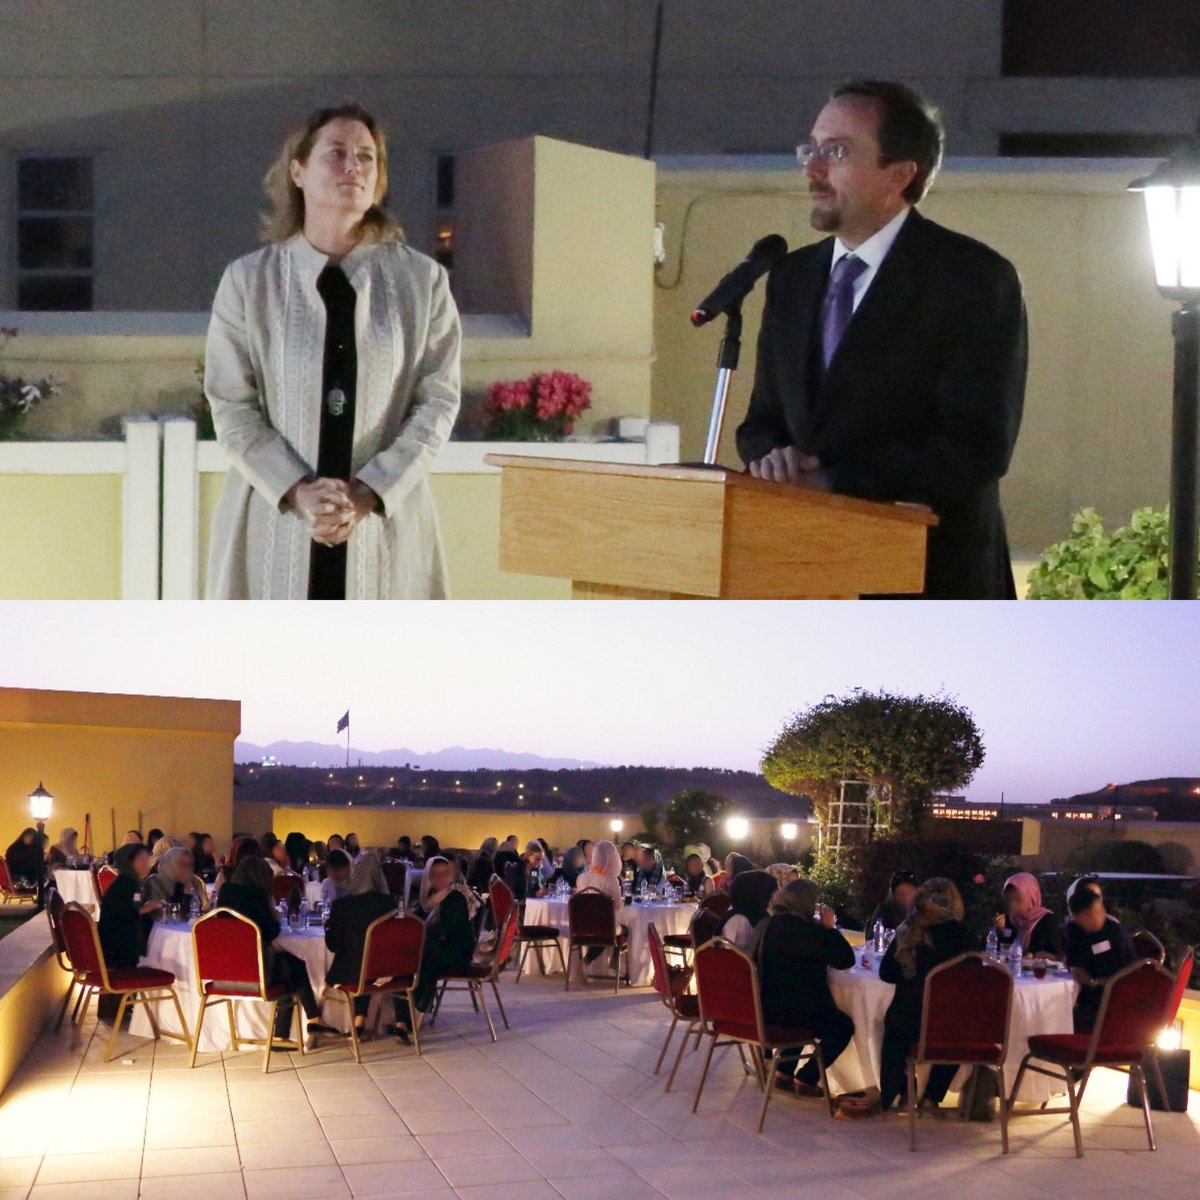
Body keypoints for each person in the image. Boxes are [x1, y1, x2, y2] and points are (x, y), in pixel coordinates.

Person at [736, 80, 1026, 599]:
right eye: (811, 148)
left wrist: (833, 481)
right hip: (806, 574)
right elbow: (762, 421)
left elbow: (977, 447)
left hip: (929, 583)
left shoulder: (972, 278)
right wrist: (770, 457)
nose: (813, 168)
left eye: (837, 151)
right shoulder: (791, 277)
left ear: (899, 174)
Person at [204, 102, 461, 601]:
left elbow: (438, 401)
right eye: (336, 153)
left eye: (367, 156)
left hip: (385, 526)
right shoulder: (249, 281)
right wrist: (299, 493)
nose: (353, 167)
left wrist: (366, 494)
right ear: (298, 171)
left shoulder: (423, 282)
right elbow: (231, 404)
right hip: (274, 521)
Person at [878, 878, 975, 1112]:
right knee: (963, 1027)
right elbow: (972, 977)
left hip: (909, 1023)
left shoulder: (908, 930)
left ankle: (903, 1090)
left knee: (891, 1026)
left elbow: (887, 973)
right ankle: (932, 1096)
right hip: (949, 1024)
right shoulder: (965, 935)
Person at [217, 855, 336, 1045]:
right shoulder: (257, 895)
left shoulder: (225, 891)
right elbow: (270, 932)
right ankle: (312, 1020)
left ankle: (284, 1035)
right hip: (255, 972)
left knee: (288, 968)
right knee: (295, 965)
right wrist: (274, 913)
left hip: (223, 971)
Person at [752, 878, 855, 1096]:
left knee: (798, 1000)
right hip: (790, 1015)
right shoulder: (806, 931)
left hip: (760, 1009)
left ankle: (783, 1071)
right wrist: (830, 928)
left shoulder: (764, 925)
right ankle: (808, 1078)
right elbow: (845, 960)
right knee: (842, 1026)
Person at [396, 856, 479, 1041]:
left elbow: (445, 931)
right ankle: (403, 1019)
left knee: (415, 959)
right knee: (404, 959)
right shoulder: (428, 898)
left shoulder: (454, 897)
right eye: (436, 875)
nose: (441, 879)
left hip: (456, 952)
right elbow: (418, 917)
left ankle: (415, 1010)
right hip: (437, 947)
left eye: (445, 874)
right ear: (429, 877)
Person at [324, 852, 398, 1041]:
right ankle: (362, 1021)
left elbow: (333, 945)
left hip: (350, 972)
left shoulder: (342, 905)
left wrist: (328, 926)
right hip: (386, 968)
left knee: (357, 959)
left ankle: (327, 1020)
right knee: (365, 959)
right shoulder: (390, 903)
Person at [1064, 886, 1136, 1033]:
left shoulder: (1115, 934)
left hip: (1110, 1001)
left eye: (1100, 911)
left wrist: (1093, 982)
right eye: (1090, 915)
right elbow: (1072, 959)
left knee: (1063, 1018)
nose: (1098, 917)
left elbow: (1129, 976)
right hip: (1082, 996)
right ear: (1077, 918)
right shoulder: (1073, 931)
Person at [98, 844, 161, 969]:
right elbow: (122, 914)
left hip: (115, 949)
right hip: (117, 954)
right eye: (141, 860)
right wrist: (146, 908)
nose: (146, 864)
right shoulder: (125, 884)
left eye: (147, 860)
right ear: (128, 862)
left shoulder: (130, 881)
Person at [573, 841, 627, 969]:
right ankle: (614, 958)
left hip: (581, 926)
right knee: (623, 930)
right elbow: (618, 907)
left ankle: (587, 960)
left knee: (604, 929)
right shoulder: (611, 880)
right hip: (604, 928)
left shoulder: (582, 877)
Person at [996, 871, 1063, 958]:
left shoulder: (1046, 920)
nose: (1013, 905)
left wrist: (1046, 956)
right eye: (1009, 900)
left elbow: (1057, 955)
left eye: (1018, 900)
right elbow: (999, 952)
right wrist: (999, 931)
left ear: (1031, 896)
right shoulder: (1008, 919)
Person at [717, 870, 779, 950]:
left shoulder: (761, 915)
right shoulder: (737, 921)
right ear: (758, 894)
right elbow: (726, 955)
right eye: (771, 894)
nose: (775, 897)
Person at [145, 847, 208, 912]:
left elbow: (205, 909)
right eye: (181, 864)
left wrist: (194, 890)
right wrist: (185, 891)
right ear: (169, 864)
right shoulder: (155, 882)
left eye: (190, 865)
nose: (186, 869)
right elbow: (163, 914)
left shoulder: (195, 882)